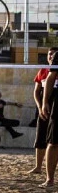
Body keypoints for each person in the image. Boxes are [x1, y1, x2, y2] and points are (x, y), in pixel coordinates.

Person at [30, 47, 58, 177]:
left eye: (53, 54)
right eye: (49, 54)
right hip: (45, 107)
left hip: (54, 105)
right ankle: (38, 167)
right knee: (42, 136)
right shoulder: (43, 70)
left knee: (53, 140)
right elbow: (36, 92)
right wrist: (41, 105)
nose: (51, 56)